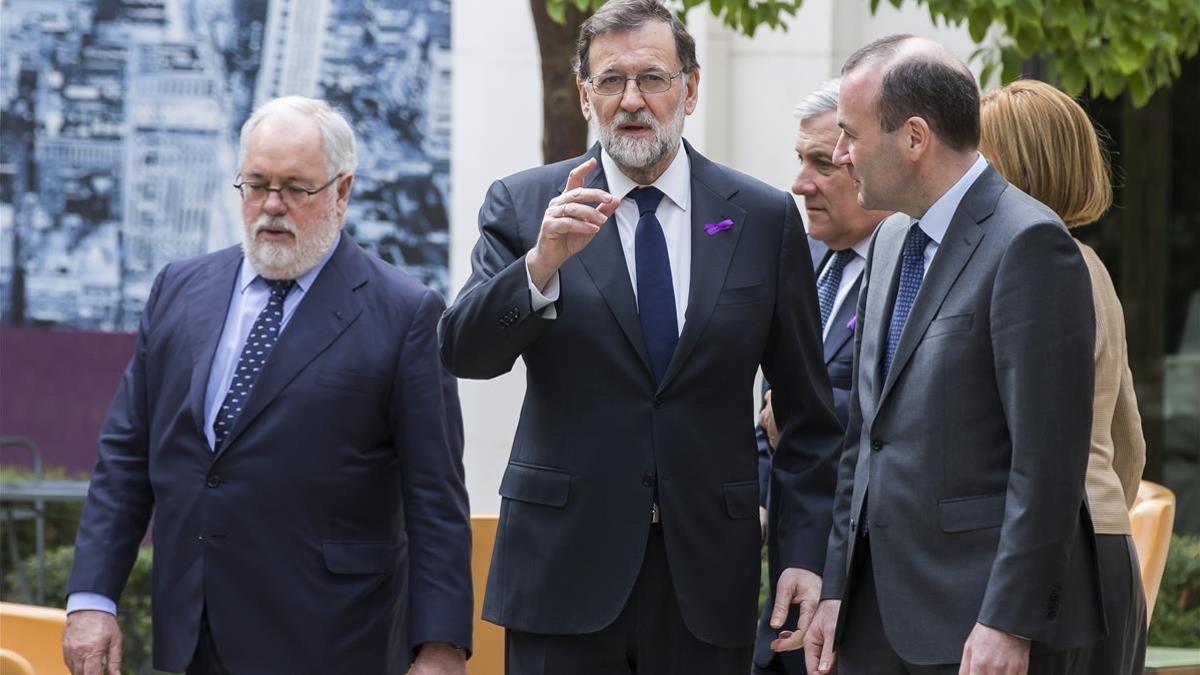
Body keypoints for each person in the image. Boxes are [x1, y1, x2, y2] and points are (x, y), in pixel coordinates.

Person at [438, 1, 844, 672]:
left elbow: (808, 417)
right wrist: (538, 266)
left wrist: (803, 553)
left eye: (652, 78)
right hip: (561, 574)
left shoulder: (763, 219)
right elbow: (464, 353)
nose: (632, 100)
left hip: (706, 582)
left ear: (690, 87)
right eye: (610, 80)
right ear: (584, 93)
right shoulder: (525, 204)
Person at [61, 96, 472, 675]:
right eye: (256, 185)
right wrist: (92, 600)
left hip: (333, 639)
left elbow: (436, 499)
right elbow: (127, 457)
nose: (271, 206)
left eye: (295, 188)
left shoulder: (405, 313)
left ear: (342, 190)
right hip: (189, 636)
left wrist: (440, 647)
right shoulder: (180, 290)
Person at [795, 36, 1104, 674]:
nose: (842, 154)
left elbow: (1047, 464)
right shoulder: (889, 241)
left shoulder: (1029, 244)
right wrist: (835, 590)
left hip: (976, 626)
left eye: (850, 135)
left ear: (914, 137)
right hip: (872, 620)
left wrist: (1008, 621)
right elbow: (863, 441)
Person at [979, 78, 1148, 674]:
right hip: (1106, 547)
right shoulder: (1091, 265)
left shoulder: (1030, 265)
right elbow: (1128, 441)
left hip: (1057, 563)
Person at [754, 77, 892, 675]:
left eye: (822, 163)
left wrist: (809, 418)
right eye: (798, 160)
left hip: (864, 596)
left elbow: (905, 412)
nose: (799, 183)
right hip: (782, 580)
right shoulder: (797, 257)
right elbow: (764, 409)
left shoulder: (914, 270)